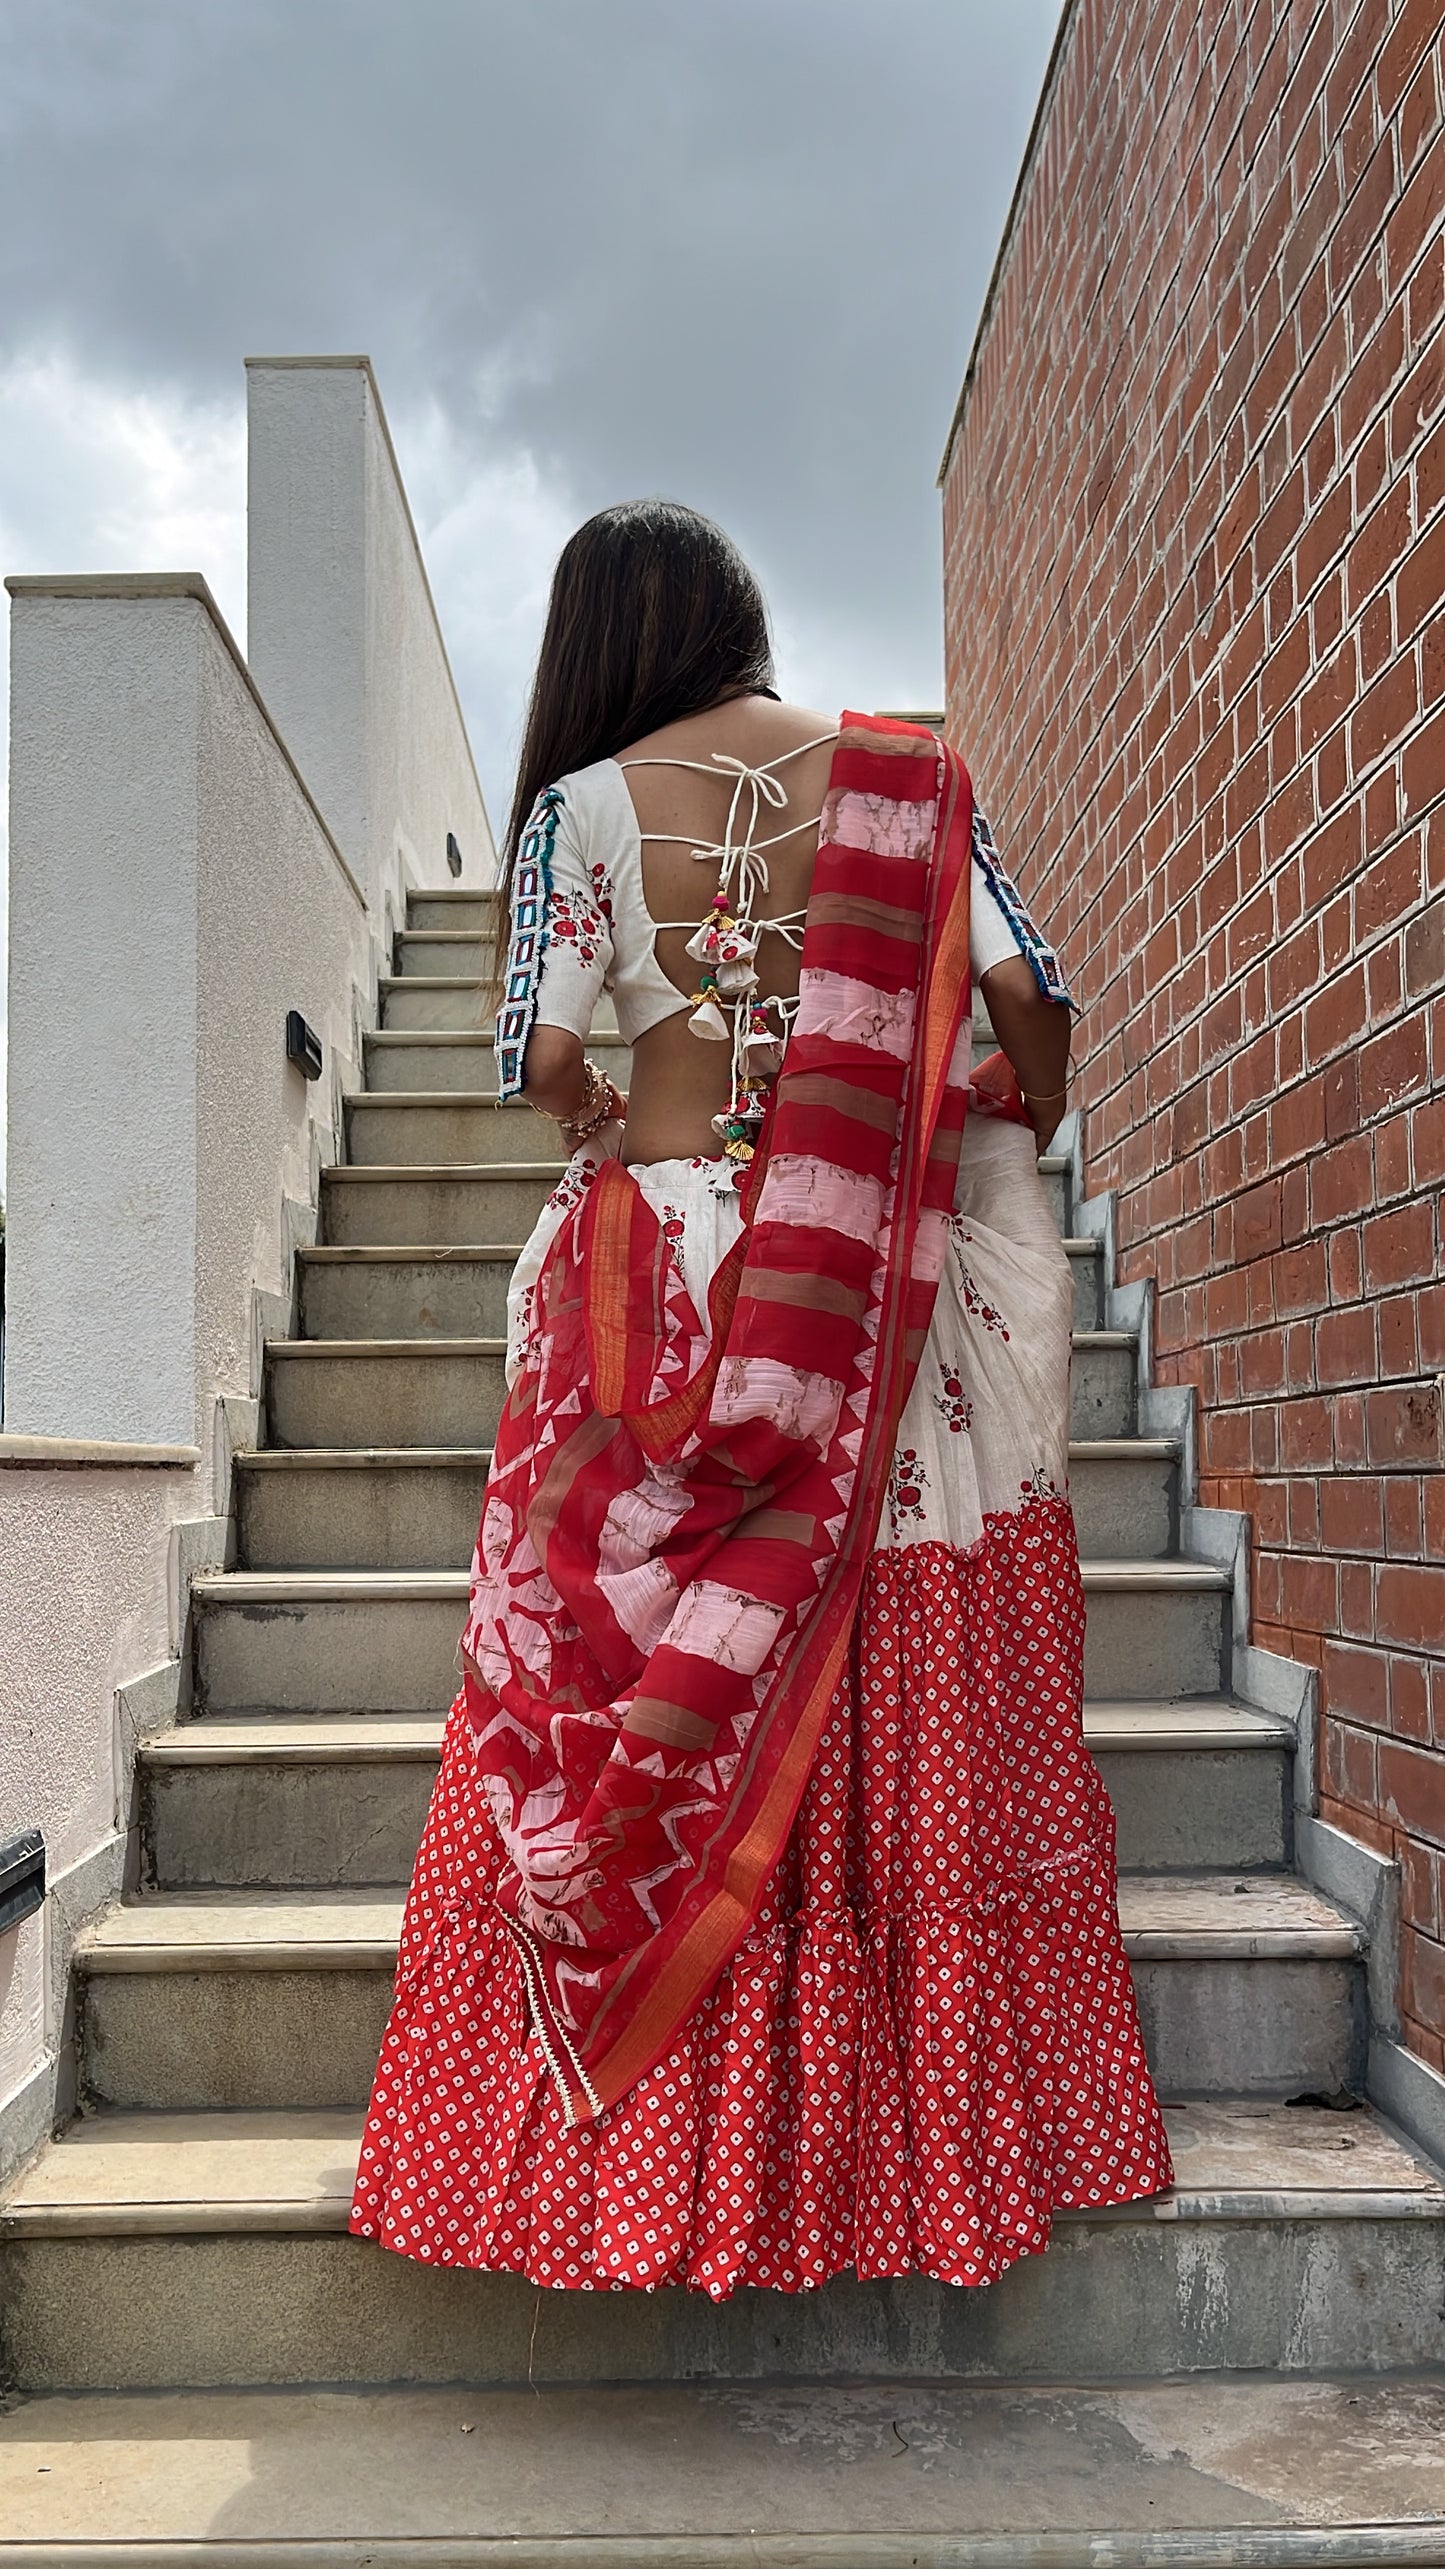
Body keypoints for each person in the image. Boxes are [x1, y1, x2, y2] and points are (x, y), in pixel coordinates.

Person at [351, 499, 1172, 2296]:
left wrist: (640, 1126)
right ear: (737, 619)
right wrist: (941, 1129)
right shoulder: (904, 783)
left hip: (654, 1299)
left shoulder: (578, 806)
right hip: (868, 1293)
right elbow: (1033, 1000)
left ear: (598, 644)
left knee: (634, 1675)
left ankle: (625, 2168)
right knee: (871, 1677)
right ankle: (897, 2167)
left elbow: (537, 1058)